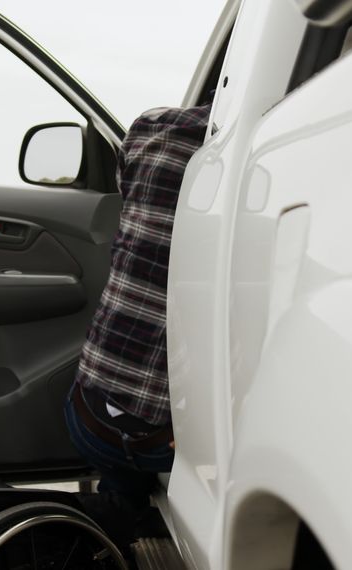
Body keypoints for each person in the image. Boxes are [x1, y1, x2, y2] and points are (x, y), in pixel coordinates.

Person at [64, 104, 212, 514]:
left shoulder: (153, 127)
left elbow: (126, 195)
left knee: (119, 477)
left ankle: (119, 512)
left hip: (88, 417)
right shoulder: (264, 153)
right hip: (165, 444)